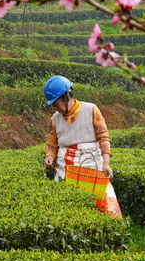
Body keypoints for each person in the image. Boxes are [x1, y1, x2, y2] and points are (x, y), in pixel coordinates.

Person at [42, 75, 123, 218]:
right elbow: (52, 144)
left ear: (66, 97)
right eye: (53, 105)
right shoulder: (54, 119)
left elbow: (103, 136)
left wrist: (106, 163)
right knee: (65, 208)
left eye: (56, 104)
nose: (55, 108)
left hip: (92, 163)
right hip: (65, 168)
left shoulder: (91, 110)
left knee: (102, 202)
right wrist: (49, 156)